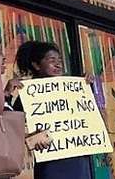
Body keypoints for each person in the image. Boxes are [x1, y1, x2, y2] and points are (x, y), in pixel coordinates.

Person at [13, 40, 92, 179]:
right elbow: (13, 126)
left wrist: (88, 88)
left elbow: (90, 119)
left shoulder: (73, 89)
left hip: (78, 161)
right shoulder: (29, 95)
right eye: (52, 60)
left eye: (59, 60)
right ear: (36, 65)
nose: (58, 64)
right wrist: (32, 139)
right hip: (50, 164)